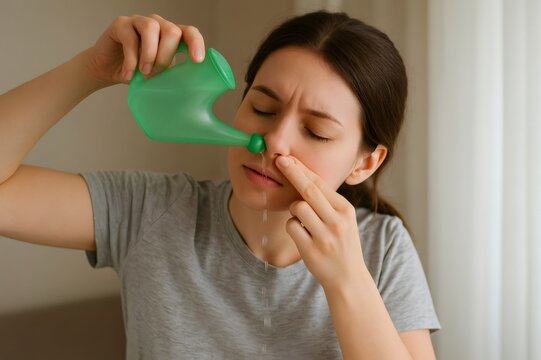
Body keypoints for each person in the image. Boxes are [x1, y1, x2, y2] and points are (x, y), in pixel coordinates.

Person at [0, 10, 440, 359]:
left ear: (365, 162)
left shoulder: (383, 248)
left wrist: (347, 282)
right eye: (263, 109)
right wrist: (90, 70)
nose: (274, 142)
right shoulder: (151, 210)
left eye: (317, 132)